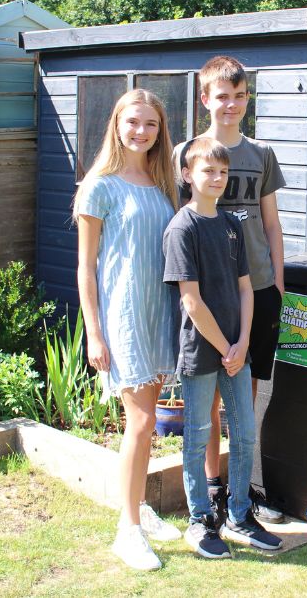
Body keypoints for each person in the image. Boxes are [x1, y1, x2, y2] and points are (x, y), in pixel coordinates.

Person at [73, 89, 183, 570]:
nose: (142, 131)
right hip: (124, 319)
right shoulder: (99, 185)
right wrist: (95, 334)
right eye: (133, 122)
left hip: (161, 312)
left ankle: (139, 508)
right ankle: (128, 530)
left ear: (161, 132)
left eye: (151, 125)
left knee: (150, 422)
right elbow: (86, 269)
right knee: (139, 424)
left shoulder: (162, 183)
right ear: (117, 124)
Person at [173, 55, 286, 525]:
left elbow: (272, 224)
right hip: (211, 295)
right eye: (223, 96)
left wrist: (277, 281)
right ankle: (214, 486)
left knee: (248, 388)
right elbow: (182, 224)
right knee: (212, 395)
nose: (232, 104)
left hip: (255, 288)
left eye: (241, 96)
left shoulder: (261, 154)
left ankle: (245, 486)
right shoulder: (188, 153)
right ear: (205, 99)